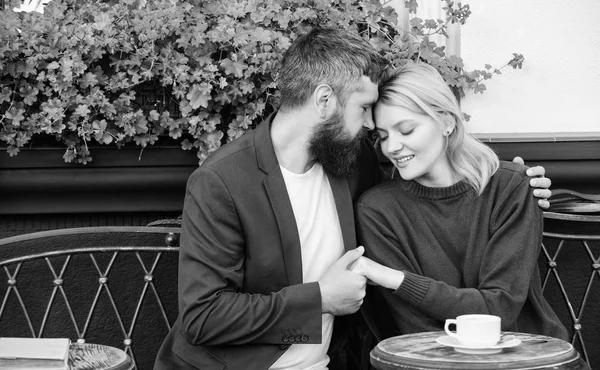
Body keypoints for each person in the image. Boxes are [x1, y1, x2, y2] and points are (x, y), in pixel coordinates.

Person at [154, 28, 553, 370]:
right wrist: (320, 300)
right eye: (364, 109)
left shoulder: (351, 162)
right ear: (325, 100)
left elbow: (437, 188)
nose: (371, 129)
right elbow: (203, 318)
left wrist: (520, 181)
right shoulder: (222, 181)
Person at [351, 62, 568, 343]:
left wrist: (395, 279)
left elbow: (499, 309)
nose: (391, 147)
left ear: (447, 122)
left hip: (530, 356)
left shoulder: (510, 187)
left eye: (406, 131)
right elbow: (418, 333)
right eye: (382, 136)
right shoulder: (377, 211)